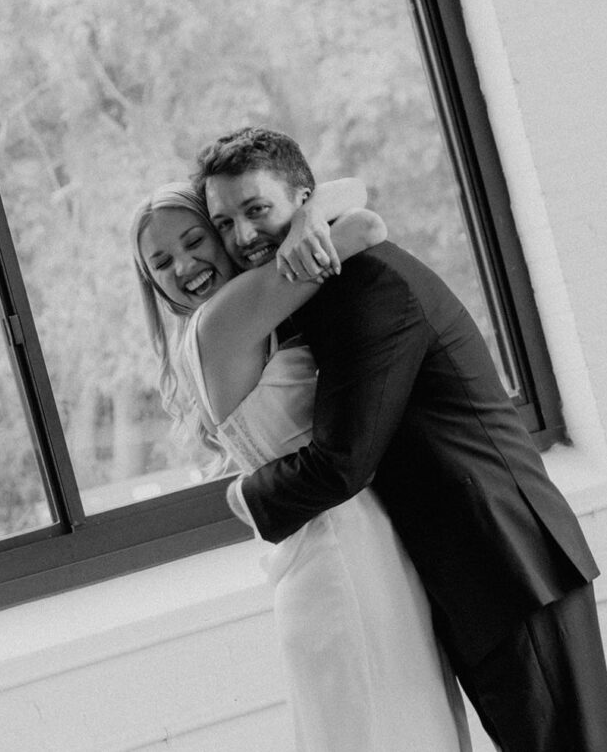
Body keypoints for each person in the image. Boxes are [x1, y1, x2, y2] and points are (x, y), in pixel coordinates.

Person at [198, 126, 607, 752]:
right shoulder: (321, 285)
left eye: (256, 210)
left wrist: (243, 499)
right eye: (224, 222)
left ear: (302, 200)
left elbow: (343, 464)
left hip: (507, 562)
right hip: (475, 569)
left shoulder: (363, 286)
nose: (241, 237)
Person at [131, 180, 473, 752]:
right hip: (346, 560)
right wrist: (311, 215)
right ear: (154, 286)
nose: (184, 266)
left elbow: (350, 192)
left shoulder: (243, 316)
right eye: (162, 263)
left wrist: (307, 208)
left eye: (195, 241)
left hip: (340, 552)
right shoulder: (224, 317)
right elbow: (363, 226)